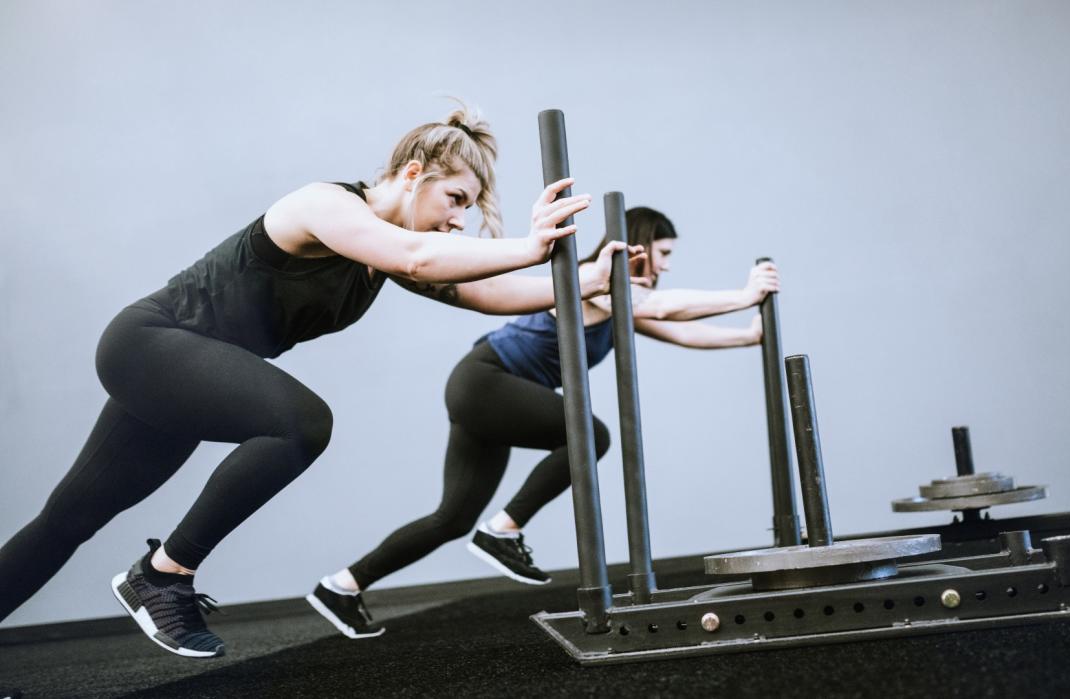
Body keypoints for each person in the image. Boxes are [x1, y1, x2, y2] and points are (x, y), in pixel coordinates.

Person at [0, 105, 640, 658]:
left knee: (67, 519)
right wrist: (532, 245)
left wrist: (583, 279)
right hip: (151, 345)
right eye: (455, 202)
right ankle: (163, 575)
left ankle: (151, 578)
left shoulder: (382, 259)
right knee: (302, 423)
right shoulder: (325, 207)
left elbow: (489, 292)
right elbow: (419, 255)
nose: (458, 223)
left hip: (181, 374)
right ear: (413, 174)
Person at [308, 206, 780, 639]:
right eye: (665, 253)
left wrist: (746, 338)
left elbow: (676, 329)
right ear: (642, 244)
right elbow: (660, 308)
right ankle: (503, 531)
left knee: (451, 518)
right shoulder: (589, 281)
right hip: (485, 381)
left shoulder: (618, 298)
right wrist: (744, 295)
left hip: (486, 391)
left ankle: (341, 587)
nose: (669, 265)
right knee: (588, 435)